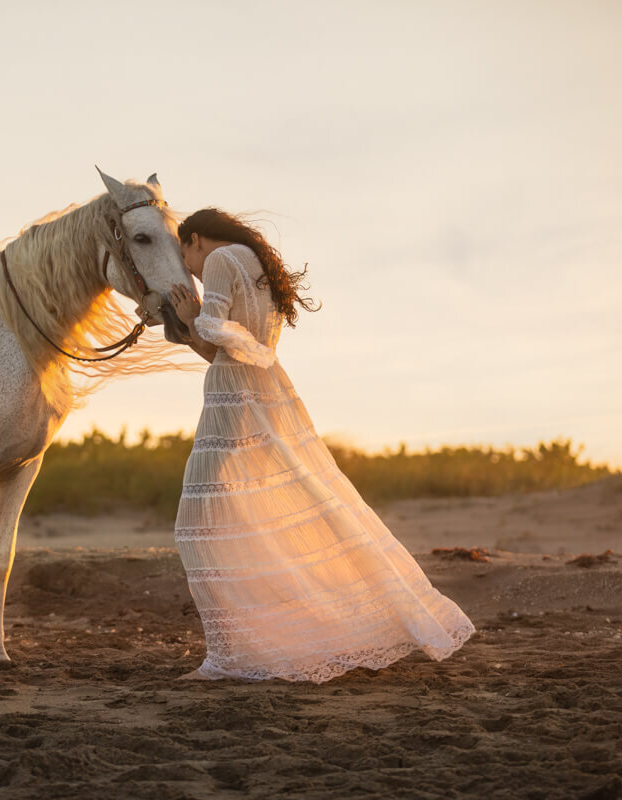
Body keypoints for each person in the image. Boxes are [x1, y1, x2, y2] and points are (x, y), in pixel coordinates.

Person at [167, 208, 475, 682]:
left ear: (196, 240)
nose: (190, 269)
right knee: (254, 513)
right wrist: (195, 328)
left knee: (198, 524)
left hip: (235, 397)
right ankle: (245, 645)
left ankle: (227, 657)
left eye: (186, 256)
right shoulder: (253, 261)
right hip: (254, 389)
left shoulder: (224, 259)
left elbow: (216, 333)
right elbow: (225, 348)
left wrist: (190, 316)